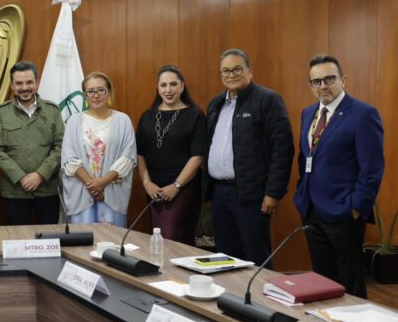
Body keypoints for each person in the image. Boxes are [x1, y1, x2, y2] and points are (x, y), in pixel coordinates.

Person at [294, 54, 384, 299]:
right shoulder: (308, 113)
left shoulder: (363, 114)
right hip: (311, 210)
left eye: (329, 79)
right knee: (322, 282)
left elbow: (372, 168)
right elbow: (305, 157)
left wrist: (356, 208)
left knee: (350, 283)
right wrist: (302, 193)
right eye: (316, 81)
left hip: (344, 212)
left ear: (343, 80)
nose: (323, 86)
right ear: (311, 85)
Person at [206, 48, 294, 267]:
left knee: (256, 258)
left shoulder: (268, 99)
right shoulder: (216, 104)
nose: (231, 75)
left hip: (251, 195)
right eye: (226, 71)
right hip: (219, 193)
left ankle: (260, 292)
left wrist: (273, 192)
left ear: (249, 70)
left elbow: (282, 149)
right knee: (225, 259)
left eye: (237, 69)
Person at [136, 65, 207, 245]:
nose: (168, 90)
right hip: (154, 190)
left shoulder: (195, 115)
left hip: (184, 189)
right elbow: (139, 154)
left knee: (173, 238)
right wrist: (147, 183)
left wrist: (176, 185)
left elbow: (198, 156)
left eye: (173, 84)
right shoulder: (147, 116)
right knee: (160, 240)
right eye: (163, 85)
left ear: (182, 86)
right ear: (158, 88)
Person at [0, 61, 65, 225]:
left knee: (49, 237)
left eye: (29, 82)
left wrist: (40, 175)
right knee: (17, 237)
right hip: (14, 191)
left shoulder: (52, 110)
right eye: (19, 83)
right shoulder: (1, 113)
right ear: (12, 85)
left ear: (37, 83)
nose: (24, 88)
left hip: (47, 190)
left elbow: (61, 147)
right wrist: (21, 177)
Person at [61, 72, 136, 227]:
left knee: (112, 240)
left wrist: (103, 183)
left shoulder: (123, 120)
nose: (96, 95)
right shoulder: (74, 121)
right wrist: (93, 186)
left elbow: (127, 158)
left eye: (101, 90)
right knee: (82, 240)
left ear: (108, 92)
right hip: (81, 193)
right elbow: (69, 158)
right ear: (85, 95)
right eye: (91, 91)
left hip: (112, 192)